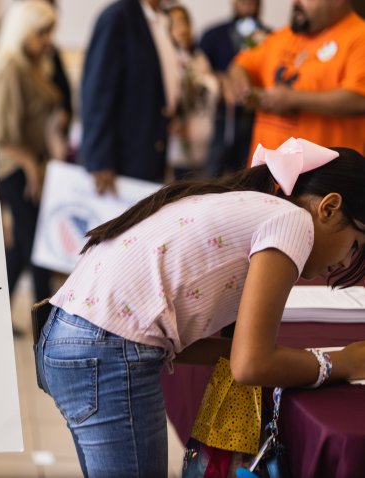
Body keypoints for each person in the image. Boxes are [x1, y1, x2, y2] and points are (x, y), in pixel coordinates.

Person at [34, 137, 365, 477]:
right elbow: (250, 365)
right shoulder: (294, 222)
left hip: (69, 337)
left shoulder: (248, 203)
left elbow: (228, 352)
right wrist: (344, 362)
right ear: (328, 207)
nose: (345, 262)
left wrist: (288, 359)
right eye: (355, 245)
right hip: (106, 352)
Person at [0, 0, 67, 307]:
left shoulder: (30, 64)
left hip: (31, 164)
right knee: (37, 247)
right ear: (23, 31)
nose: (48, 41)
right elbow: (1, 134)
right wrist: (31, 166)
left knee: (24, 248)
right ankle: (43, 326)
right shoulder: (9, 67)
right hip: (14, 166)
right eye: (42, 33)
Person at [227, 0, 365, 158]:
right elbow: (242, 63)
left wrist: (293, 100)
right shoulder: (282, 35)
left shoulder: (360, 36)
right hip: (265, 174)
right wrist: (238, 79)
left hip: (321, 178)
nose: (295, 2)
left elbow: (360, 99)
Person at [79, 0, 180, 195]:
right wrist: (99, 160)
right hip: (123, 160)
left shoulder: (160, 19)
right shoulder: (118, 17)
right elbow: (97, 91)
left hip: (151, 150)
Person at [199, 0, 270, 177]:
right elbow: (197, 70)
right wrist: (219, 81)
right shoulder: (213, 34)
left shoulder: (273, 37)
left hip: (259, 117)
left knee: (251, 172)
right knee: (213, 171)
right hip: (220, 115)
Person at [166, 5, 219, 180]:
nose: (182, 28)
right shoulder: (167, 61)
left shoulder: (199, 58)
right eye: (174, 23)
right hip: (177, 153)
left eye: (185, 22)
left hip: (203, 149)